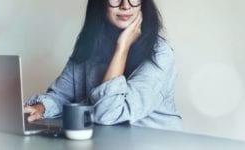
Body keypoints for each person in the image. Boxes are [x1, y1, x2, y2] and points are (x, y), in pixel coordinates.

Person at [24, 0, 183, 131]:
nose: (125, 5)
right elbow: (62, 95)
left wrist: (122, 47)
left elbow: (108, 114)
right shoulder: (90, 46)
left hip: (155, 142)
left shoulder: (160, 55)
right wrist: (41, 108)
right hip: (104, 141)